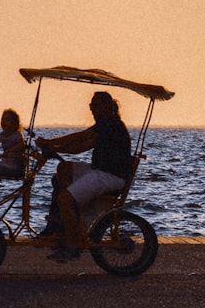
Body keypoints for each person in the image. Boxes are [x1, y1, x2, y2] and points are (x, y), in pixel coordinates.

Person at [35, 90, 133, 262]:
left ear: (108, 107)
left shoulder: (110, 124)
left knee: (64, 199)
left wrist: (52, 144)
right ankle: (64, 222)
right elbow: (80, 141)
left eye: (96, 105)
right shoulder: (106, 123)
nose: (92, 109)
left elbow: (80, 142)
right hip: (102, 171)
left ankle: (72, 245)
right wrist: (54, 145)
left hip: (109, 176)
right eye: (91, 105)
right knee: (64, 169)